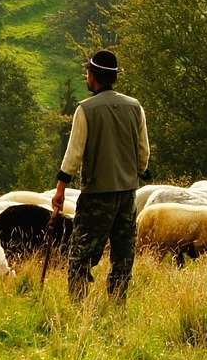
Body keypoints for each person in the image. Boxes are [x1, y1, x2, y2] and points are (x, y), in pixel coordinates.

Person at [51, 50, 150, 301]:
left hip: (97, 195)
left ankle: (79, 306)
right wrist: (137, 172)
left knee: (81, 255)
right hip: (127, 194)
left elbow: (73, 154)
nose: (86, 76)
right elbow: (143, 151)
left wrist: (61, 188)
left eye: (87, 72)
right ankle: (117, 304)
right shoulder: (134, 107)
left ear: (93, 76)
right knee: (123, 255)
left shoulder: (86, 109)